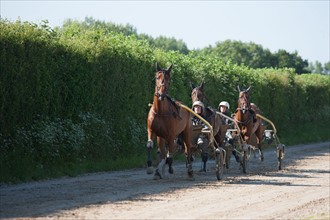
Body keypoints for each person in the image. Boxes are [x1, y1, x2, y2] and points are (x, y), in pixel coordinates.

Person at [192, 101, 209, 172]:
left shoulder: (204, 118)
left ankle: (204, 166)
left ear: (202, 109)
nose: (197, 109)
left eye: (199, 107)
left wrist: (203, 128)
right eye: (196, 107)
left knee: (201, 143)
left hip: (201, 136)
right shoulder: (190, 118)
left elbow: (207, 127)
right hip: (191, 136)